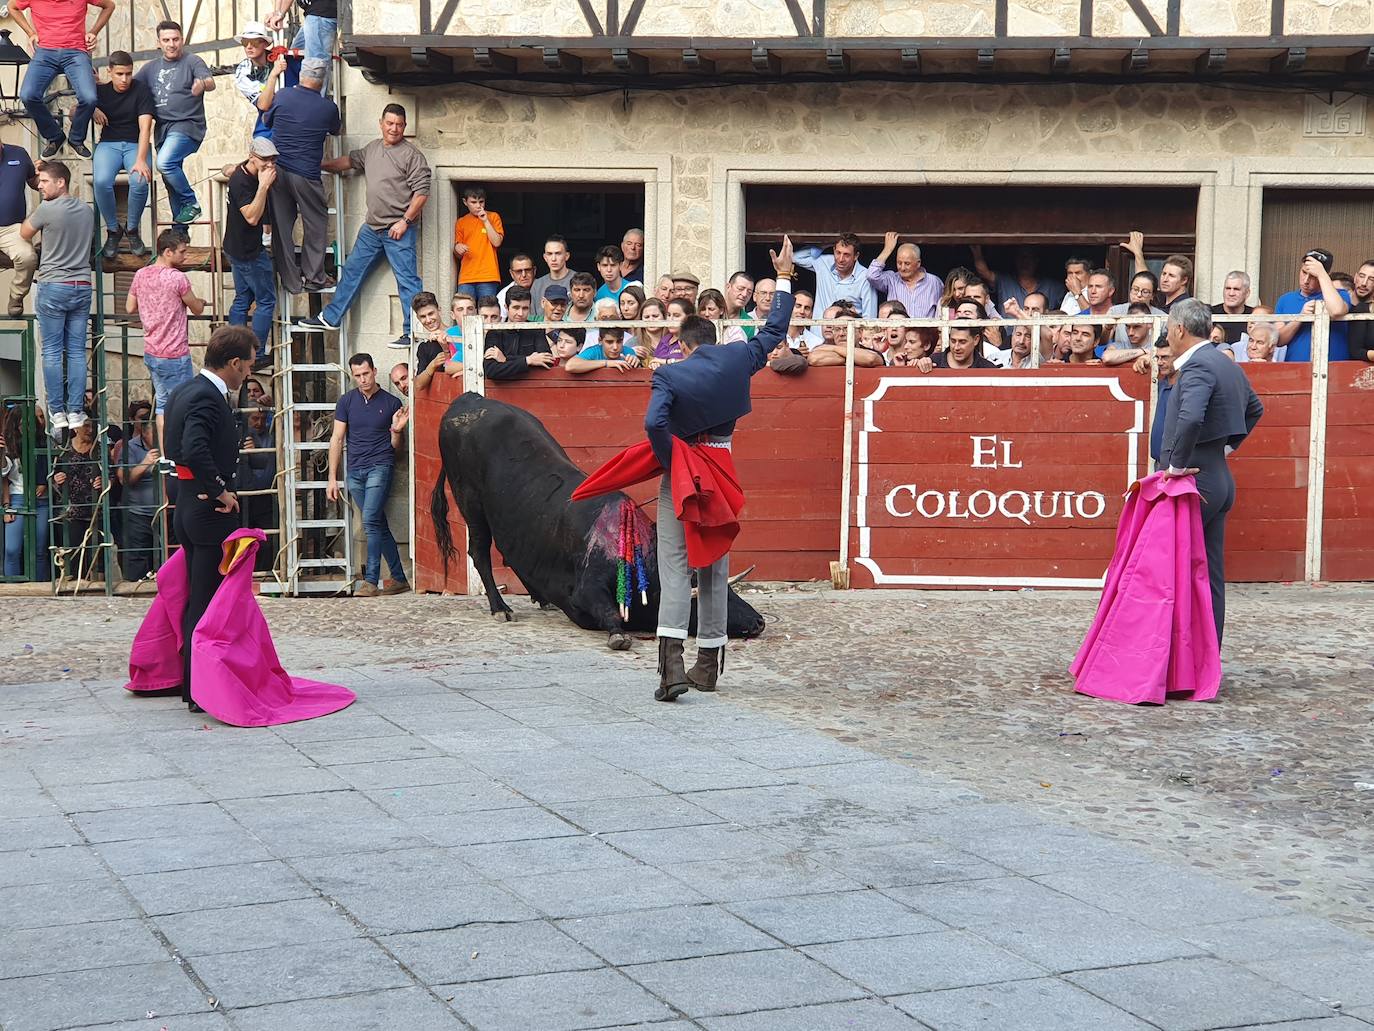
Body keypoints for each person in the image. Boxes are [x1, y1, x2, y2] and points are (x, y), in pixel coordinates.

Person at [638, 237, 796, 701]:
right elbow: (773, 331)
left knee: (674, 565)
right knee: (713, 564)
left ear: (685, 346)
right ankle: (707, 666)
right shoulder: (737, 357)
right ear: (714, 340)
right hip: (722, 464)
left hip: (686, 466)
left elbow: (652, 422)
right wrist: (783, 276)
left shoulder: (671, 372)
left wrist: (670, 457)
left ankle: (671, 668)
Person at [1158, 299, 1264, 647]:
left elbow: (1190, 418)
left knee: (1169, 570)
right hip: (1218, 476)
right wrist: (1226, 448)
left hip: (1193, 480)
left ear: (1178, 330)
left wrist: (1174, 466)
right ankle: (1207, 656)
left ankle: (1177, 658)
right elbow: (1255, 409)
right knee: (1210, 574)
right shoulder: (1224, 362)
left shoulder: (1198, 367)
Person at [163, 326, 256, 709]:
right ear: (234, 363)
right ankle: (201, 688)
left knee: (197, 599)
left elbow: (177, 449)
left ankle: (194, 686)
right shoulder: (206, 396)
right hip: (208, 509)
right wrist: (220, 490)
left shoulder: (185, 389)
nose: (250, 372)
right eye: (249, 365)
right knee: (208, 604)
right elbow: (193, 447)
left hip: (188, 503)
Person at [295, 104, 429, 350]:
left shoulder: (411, 155)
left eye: (399, 124)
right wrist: (320, 165)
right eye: (389, 123)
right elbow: (349, 161)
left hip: (398, 230)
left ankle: (412, 332)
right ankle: (331, 318)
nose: (394, 128)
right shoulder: (373, 149)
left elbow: (422, 193)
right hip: (372, 228)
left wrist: (405, 221)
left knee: (408, 282)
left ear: (405, 127)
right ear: (381, 123)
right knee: (352, 271)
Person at [21, 160, 94, 434]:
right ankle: (76, 411)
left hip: (54, 285)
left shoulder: (47, 209)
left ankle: (57, 412)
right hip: (82, 285)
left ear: (61, 182)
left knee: (52, 351)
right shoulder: (87, 210)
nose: (39, 186)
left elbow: (24, 232)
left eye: (44, 182)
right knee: (76, 351)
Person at [327, 353, 409, 597]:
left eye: (366, 373)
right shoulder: (346, 401)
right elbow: (337, 438)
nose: (363, 379)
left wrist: (396, 429)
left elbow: (398, 449)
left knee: (371, 522)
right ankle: (399, 577)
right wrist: (332, 478)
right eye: (357, 376)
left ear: (374, 370)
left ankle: (371, 581)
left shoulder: (392, 403)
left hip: (380, 466)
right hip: (355, 471)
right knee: (377, 524)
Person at [265, 57, 339, 296]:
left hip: (278, 170)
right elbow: (335, 130)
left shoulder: (283, 96)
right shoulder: (328, 107)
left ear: (301, 75)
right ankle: (314, 277)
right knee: (316, 224)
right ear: (322, 80)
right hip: (306, 173)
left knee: (282, 226)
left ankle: (291, 281)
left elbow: (267, 119)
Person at [127, 228, 204, 451]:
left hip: (152, 351)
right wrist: (202, 302)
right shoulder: (178, 278)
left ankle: (166, 455)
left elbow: (130, 307)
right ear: (168, 252)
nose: (185, 256)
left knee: (162, 405)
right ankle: (178, 452)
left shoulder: (141, 274)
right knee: (182, 406)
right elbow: (196, 308)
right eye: (182, 251)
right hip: (175, 354)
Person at [136, 21, 215, 224]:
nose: (171, 44)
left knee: (165, 162)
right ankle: (180, 230)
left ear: (182, 39)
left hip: (187, 126)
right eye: (166, 40)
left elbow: (211, 82)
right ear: (159, 42)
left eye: (175, 39)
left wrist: (202, 84)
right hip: (163, 130)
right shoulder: (150, 68)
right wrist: (101, 86)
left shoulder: (192, 61)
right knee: (170, 180)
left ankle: (192, 203)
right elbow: (130, 89)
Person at [11, 0, 113, 158]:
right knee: (28, 95)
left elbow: (109, 5)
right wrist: (31, 33)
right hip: (45, 52)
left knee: (89, 97)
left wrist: (94, 32)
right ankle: (54, 136)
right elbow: (12, 6)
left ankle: (76, 138)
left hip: (76, 52)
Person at [92, 51, 154, 260]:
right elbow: (75, 111)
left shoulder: (141, 90)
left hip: (136, 144)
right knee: (100, 182)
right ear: (109, 72)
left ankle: (133, 229)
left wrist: (140, 160)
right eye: (119, 74)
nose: (124, 79)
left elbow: (145, 128)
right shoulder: (99, 91)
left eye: (128, 74)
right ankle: (113, 230)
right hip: (108, 143)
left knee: (140, 180)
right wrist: (91, 109)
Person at [225, 137, 278, 364]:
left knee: (242, 299)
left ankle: (234, 349)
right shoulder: (242, 183)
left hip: (235, 248)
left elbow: (229, 168)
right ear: (253, 158)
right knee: (266, 300)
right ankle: (256, 354)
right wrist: (264, 186)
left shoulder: (243, 171)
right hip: (248, 252)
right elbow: (252, 216)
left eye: (273, 160)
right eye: (265, 160)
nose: (270, 165)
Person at [1275, 248, 1352, 362]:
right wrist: (1300, 318)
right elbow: (1278, 340)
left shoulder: (1340, 295)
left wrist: (1321, 274)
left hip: (1333, 368)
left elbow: (1336, 310)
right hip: (1296, 368)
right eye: (1304, 272)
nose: (1306, 280)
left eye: (1313, 276)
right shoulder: (1285, 299)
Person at [1, 405, 51, 579]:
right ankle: (13, 588)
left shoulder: (44, 442)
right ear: (15, 424)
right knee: (12, 549)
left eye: (32, 423)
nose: (28, 427)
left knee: (39, 550)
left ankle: (40, 587)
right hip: (17, 498)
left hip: (41, 499)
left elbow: (54, 468)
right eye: (23, 424)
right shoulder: (9, 444)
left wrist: (44, 482)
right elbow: (3, 475)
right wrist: (6, 506)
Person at [117, 402, 160, 581]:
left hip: (164, 513)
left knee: (166, 556)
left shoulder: (168, 445)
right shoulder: (130, 448)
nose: (158, 438)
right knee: (138, 559)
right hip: (138, 515)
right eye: (153, 434)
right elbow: (124, 479)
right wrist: (146, 463)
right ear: (144, 433)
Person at [0, 141, 39, 318]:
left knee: (28, 257)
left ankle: (16, 296)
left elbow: (34, 182)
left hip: (12, 228)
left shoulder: (18, 154)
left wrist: (45, 172)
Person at [796, 233, 876, 317]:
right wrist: (823, 246)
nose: (841, 259)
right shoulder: (824, 262)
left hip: (846, 330)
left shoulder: (865, 278)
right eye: (838, 253)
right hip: (818, 329)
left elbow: (870, 318)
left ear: (856, 256)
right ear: (834, 250)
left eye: (846, 255)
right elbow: (795, 257)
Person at [231, 22, 286, 139]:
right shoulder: (243, 71)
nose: (249, 47)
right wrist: (273, 75)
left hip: (291, 119)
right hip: (269, 122)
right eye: (245, 42)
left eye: (255, 42)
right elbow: (263, 104)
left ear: (265, 44)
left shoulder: (282, 57)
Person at [869, 233, 942, 317]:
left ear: (918, 263)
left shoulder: (934, 282)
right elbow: (871, 275)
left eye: (907, 263)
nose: (902, 268)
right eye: (899, 263)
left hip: (925, 330)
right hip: (897, 329)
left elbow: (943, 308)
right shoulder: (891, 279)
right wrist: (887, 249)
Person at [452, 185, 504, 301]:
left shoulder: (493, 216)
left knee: (488, 311)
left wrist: (485, 220)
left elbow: (496, 242)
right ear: (465, 202)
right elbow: (457, 254)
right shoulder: (461, 222)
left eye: (481, 202)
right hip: (466, 276)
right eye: (473, 202)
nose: (478, 206)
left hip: (488, 275)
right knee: (464, 312)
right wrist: (457, 247)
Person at [265, 0, 337, 82]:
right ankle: (297, 92)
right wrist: (277, 13)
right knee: (294, 58)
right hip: (314, 15)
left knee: (315, 65)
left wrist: (280, 14)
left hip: (320, 14)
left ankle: (314, 94)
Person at [531, 235, 578, 310]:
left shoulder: (579, 281)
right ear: (545, 257)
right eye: (549, 254)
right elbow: (531, 318)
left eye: (558, 253)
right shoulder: (537, 285)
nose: (553, 259)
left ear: (567, 256)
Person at [1210, 271, 1254, 345]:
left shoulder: (1253, 316)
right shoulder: (1211, 313)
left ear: (1247, 293)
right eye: (1228, 288)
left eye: (1236, 289)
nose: (1231, 293)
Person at [497, 252, 536, 316]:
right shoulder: (503, 295)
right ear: (511, 273)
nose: (524, 275)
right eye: (519, 271)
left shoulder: (543, 287)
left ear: (534, 270)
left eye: (528, 270)